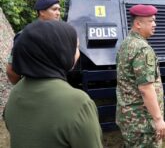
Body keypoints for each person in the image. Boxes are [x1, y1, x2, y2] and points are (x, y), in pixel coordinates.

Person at [3, 20, 103, 148]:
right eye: (76, 47)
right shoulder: (78, 102)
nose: (78, 53)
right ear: (60, 53)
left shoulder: (16, 91)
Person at [116, 4, 165, 147]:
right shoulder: (142, 49)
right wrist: (158, 119)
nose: (155, 24)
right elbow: (145, 88)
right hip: (142, 122)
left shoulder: (126, 43)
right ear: (138, 24)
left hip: (129, 118)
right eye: (151, 21)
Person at [6, 0, 61, 84]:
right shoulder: (25, 35)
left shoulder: (59, 34)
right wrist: (25, 89)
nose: (58, 13)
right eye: (54, 9)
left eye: (59, 10)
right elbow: (11, 70)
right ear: (42, 12)